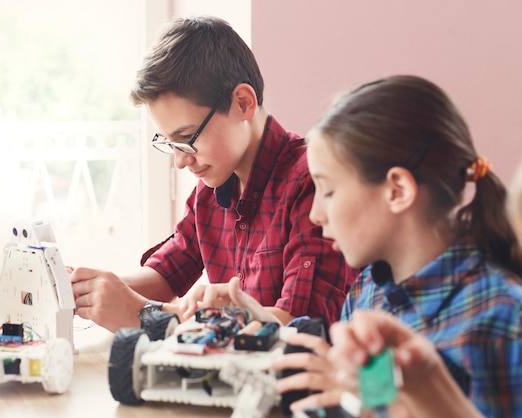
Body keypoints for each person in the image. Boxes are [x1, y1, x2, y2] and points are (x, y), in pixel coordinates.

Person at [203, 75, 522, 417]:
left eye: (327, 191)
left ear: (397, 190)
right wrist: (271, 332)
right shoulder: (367, 292)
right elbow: (372, 404)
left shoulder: (504, 319)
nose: (315, 214)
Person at [70, 16, 355, 333]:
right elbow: (166, 276)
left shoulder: (311, 181)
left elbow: (301, 326)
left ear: (243, 103)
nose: (180, 161)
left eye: (187, 139)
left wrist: (142, 314)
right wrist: (87, 290)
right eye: (169, 143)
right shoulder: (211, 188)